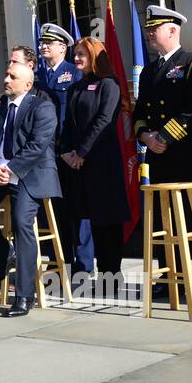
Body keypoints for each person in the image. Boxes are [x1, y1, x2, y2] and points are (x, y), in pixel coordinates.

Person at [133, 5, 192, 301]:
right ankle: (171, 278)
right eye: (148, 29)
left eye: (154, 29)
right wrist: (146, 136)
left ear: (172, 30)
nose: (148, 34)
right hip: (158, 155)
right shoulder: (149, 71)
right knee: (163, 219)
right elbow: (140, 112)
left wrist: (165, 137)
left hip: (186, 154)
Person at [0, 63, 60, 317]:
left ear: (27, 84)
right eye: (6, 75)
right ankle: (6, 254)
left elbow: (38, 146)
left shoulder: (42, 107)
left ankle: (25, 296)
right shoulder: (1, 108)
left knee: (21, 223)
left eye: (12, 77)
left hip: (29, 175)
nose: (6, 79)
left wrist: (11, 169)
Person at [59, 38, 131, 297]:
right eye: (75, 54)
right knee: (86, 222)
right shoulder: (75, 87)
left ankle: (110, 276)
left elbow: (104, 121)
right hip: (78, 166)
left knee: (108, 224)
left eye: (81, 54)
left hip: (102, 164)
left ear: (94, 56)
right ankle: (87, 271)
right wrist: (67, 152)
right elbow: (68, 123)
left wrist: (82, 152)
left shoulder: (109, 84)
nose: (76, 58)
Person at [37, 23, 86, 274]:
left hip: (67, 151)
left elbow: (76, 114)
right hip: (45, 153)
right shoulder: (38, 76)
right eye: (43, 42)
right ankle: (59, 264)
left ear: (63, 47)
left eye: (50, 42)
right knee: (53, 211)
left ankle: (83, 266)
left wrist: (74, 148)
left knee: (77, 209)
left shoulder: (72, 72)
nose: (44, 45)